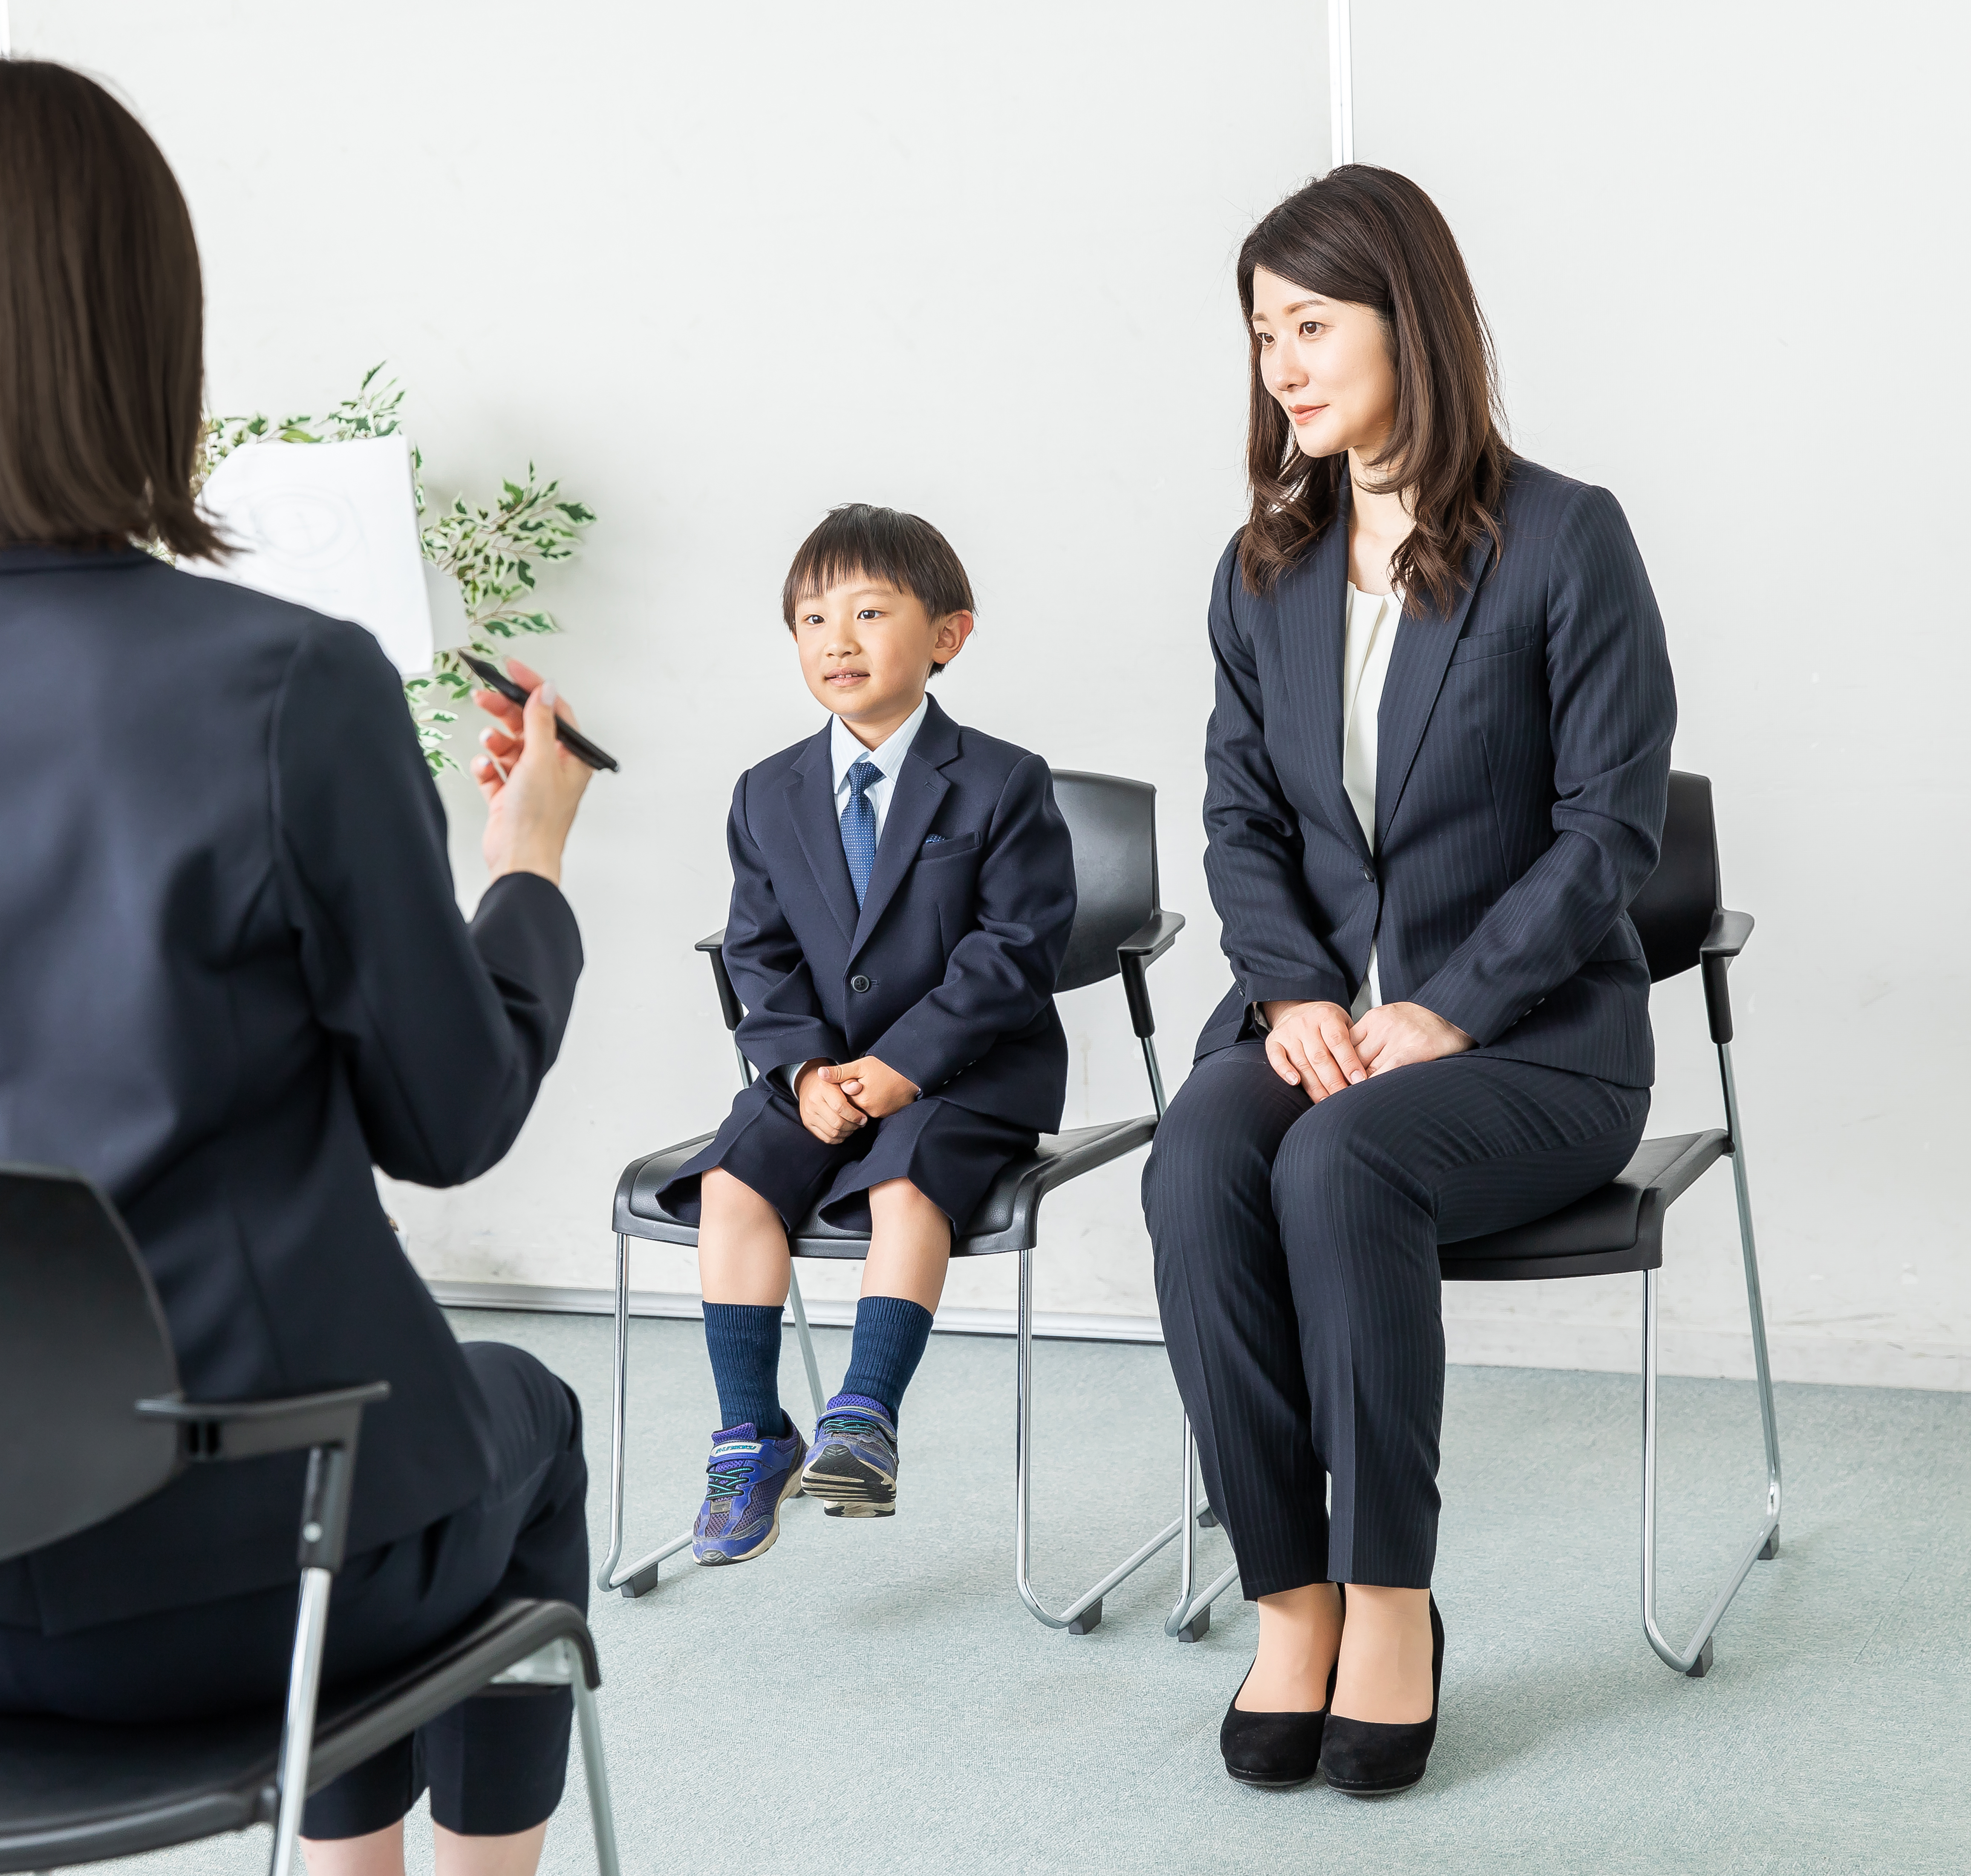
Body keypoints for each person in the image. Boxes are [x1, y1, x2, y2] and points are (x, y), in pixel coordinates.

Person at [0, 59, 595, 1876]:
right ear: (146, 330)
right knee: (513, 1429)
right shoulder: (287, 683)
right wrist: (525, 865)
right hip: (240, 1573)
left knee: (354, 1454)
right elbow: (449, 1117)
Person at [1143, 166, 1676, 1797]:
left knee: (1343, 1156)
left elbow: (1613, 826)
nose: (1283, 365)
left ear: (1408, 318)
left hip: (1533, 1049)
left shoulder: (1566, 538)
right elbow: (1241, 818)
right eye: (1261, 336)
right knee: (1198, 1158)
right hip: (1325, 1025)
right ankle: (1287, 1597)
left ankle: (1389, 1598)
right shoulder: (1265, 568)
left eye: (1312, 324)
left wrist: (1446, 1004)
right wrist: (1294, 993)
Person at [658, 504, 1076, 1564]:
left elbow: (1012, 951)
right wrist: (801, 1070)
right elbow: (759, 951)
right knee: (732, 1180)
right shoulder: (767, 792)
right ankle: (751, 1433)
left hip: (965, 1074)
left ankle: (864, 1412)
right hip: (817, 1074)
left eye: (868, 611)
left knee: (905, 1177)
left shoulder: (1002, 779)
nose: (835, 639)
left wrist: (898, 1069)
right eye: (810, 618)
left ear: (947, 635)